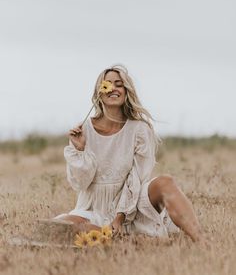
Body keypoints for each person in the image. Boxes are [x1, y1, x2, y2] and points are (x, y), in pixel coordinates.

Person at [55, 64, 205, 242]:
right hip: (93, 208)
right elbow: (79, 184)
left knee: (165, 182)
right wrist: (80, 150)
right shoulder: (83, 130)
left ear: (126, 91)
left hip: (132, 206)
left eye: (119, 84)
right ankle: (113, 236)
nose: (113, 88)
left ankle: (202, 241)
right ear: (99, 92)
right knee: (60, 225)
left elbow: (137, 178)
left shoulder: (140, 129)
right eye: (107, 84)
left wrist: (120, 217)